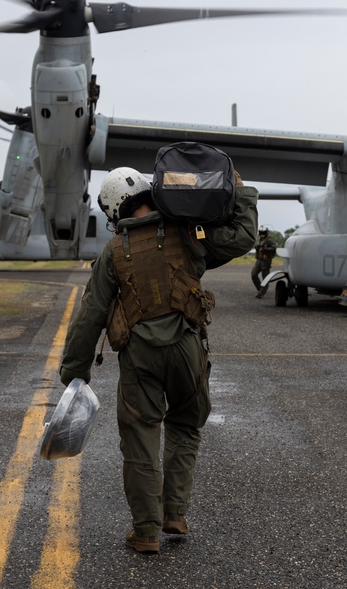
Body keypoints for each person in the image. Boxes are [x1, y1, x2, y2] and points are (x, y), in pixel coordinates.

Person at [58, 166, 258, 554]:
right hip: (188, 349)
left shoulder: (114, 251)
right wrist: (243, 192)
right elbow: (241, 237)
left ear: (115, 207)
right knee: (185, 425)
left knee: (140, 440)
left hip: (140, 357)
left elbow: (91, 314)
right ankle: (175, 514)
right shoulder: (187, 232)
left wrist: (75, 371)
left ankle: (146, 531)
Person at [251, 228, 277, 298]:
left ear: (266, 233)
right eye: (261, 233)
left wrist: (266, 249)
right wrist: (256, 247)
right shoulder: (260, 240)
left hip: (265, 261)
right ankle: (260, 289)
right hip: (258, 260)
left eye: (264, 233)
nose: (262, 234)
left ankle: (261, 293)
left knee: (265, 278)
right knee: (253, 274)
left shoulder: (269, 241)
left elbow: (274, 248)